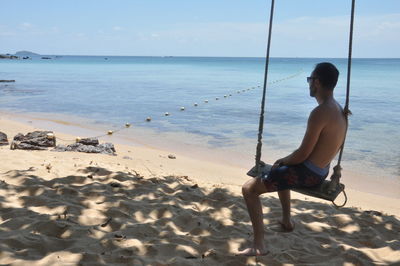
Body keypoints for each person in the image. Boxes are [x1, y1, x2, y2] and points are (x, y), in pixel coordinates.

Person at [238, 62, 347, 256]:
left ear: (317, 82)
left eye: (310, 79)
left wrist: (285, 160)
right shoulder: (339, 110)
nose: (309, 84)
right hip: (321, 172)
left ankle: (258, 245)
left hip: (309, 174)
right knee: (282, 168)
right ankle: (287, 221)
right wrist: (286, 161)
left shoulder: (320, 113)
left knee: (249, 189)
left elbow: (303, 154)